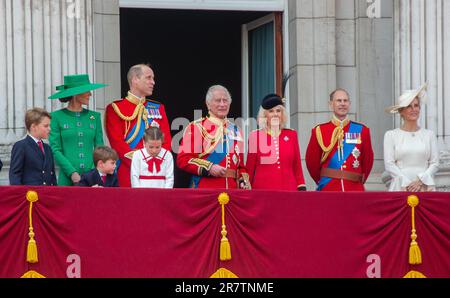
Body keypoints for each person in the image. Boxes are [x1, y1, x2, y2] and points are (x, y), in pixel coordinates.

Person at [105, 64, 172, 187]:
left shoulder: (158, 108)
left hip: (157, 172)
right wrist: (141, 163)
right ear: (135, 79)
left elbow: (166, 141)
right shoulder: (115, 108)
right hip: (128, 172)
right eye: (148, 78)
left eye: (153, 78)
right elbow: (117, 143)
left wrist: (157, 162)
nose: (153, 82)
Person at [177, 85, 251, 189]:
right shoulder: (197, 127)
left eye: (225, 100)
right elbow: (183, 159)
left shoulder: (236, 131)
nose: (222, 104)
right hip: (206, 190)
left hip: (232, 191)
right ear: (208, 104)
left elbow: (240, 166)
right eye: (218, 100)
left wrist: (243, 180)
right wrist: (209, 167)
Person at [305, 88, 374, 191]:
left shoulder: (362, 130)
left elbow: (368, 160)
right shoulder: (319, 130)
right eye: (339, 101)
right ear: (331, 104)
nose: (342, 104)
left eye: (345, 101)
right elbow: (312, 162)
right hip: (329, 188)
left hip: (354, 188)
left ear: (349, 104)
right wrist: (324, 180)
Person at [48, 74, 107, 186]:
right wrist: (72, 172)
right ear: (75, 93)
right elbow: (55, 149)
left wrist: (93, 170)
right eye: (87, 91)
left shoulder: (94, 117)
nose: (90, 94)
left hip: (92, 177)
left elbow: (100, 148)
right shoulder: (56, 117)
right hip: (66, 177)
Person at [383, 83, 439, 191]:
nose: (413, 109)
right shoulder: (391, 135)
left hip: (424, 187)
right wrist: (407, 183)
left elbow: (435, 163)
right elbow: (389, 164)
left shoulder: (429, 135)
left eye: (416, 105)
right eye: (409, 106)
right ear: (401, 111)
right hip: (400, 187)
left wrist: (420, 181)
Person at [246, 94, 306, 191]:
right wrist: (247, 189)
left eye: (278, 111)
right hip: (263, 191)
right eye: (271, 111)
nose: (275, 114)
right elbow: (250, 168)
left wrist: (301, 186)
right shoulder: (255, 136)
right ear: (265, 115)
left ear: (282, 114)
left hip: (289, 190)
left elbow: (297, 165)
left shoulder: (291, 134)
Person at [9, 108, 57, 186]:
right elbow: (15, 175)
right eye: (46, 126)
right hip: (30, 195)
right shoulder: (21, 146)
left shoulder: (47, 148)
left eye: (49, 125)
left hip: (47, 194)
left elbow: (52, 177)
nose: (49, 129)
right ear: (33, 126)